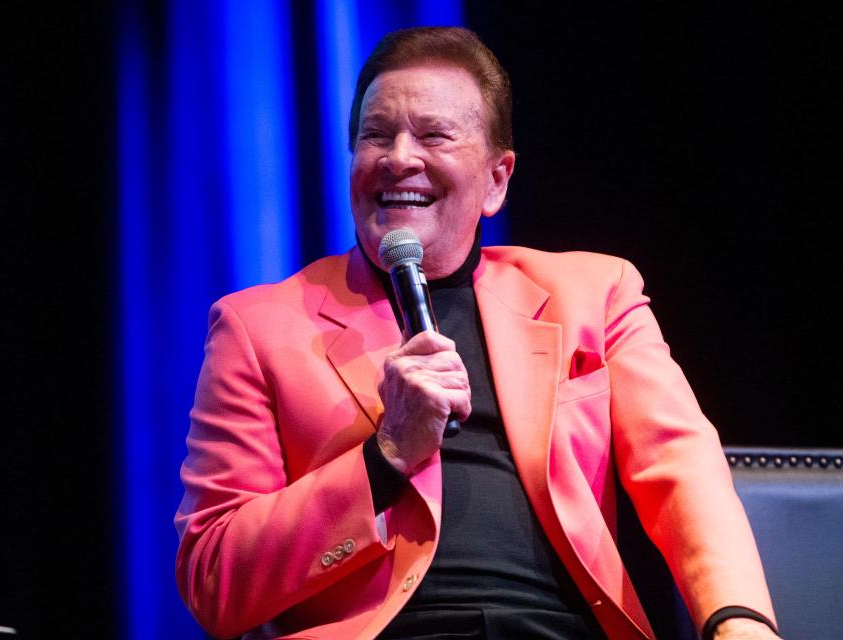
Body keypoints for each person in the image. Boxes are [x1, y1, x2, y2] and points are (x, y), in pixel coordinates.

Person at [175, 27, 782, 640]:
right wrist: (385, 456)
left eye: (433, 134)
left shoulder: (594, 293)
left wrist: (739, 619)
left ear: (497, 179)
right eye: (376, 136)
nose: (398, 158)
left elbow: (680, 466)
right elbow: (214, 578)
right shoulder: (258, 326)